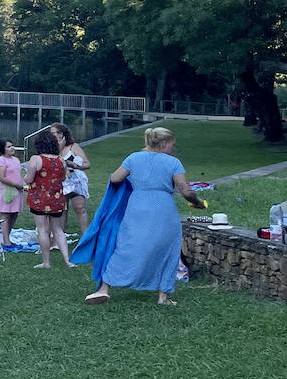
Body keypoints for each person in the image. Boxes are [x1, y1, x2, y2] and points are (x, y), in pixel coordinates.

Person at [85, 127, 207, 306]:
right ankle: (163, 296)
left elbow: (115, 178)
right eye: (172, 144)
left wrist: (133, 184)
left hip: (137, 206)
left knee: (126, 246)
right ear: (164, 143)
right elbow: (185, 190)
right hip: (163, 210)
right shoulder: (173, 163)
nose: (173, 148)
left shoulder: (133, 158)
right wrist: (197, 203)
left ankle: (104, 288)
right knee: (167, 250)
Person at [23, 129, 73, 269]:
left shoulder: (36, 159)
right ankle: (67, 260)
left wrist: (26, 175)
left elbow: (29, 179)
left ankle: (46, 262)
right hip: (57, 199)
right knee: (58, 230)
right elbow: (63, 178)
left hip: (39, 199)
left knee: (43, 229)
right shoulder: (61, 160)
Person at [52, 123, 91, 236]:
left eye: (53, 133)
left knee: (80, 208)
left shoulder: (73, 147)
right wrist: (59, 147)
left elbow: (87, 164)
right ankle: (60, 238)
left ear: (61, 134)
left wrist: (74, 165)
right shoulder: (51, 148)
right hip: (60, 182)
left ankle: (85, 238)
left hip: (75, 181)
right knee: (62, 211)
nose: (51, 136)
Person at [0, 139, 26, 245]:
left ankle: (7, 237)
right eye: (8, 147)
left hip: (17, 191)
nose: (12, 148)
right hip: (5, 191)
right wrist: (17, 185)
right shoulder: (1, 161)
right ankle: (6, 241)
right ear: (3, 149)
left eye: (12, 145)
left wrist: (24, 185)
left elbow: (18, 174)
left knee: (14, 213)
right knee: (6, 215)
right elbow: (2, 178)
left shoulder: (16, 159)